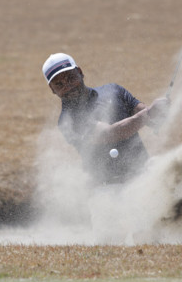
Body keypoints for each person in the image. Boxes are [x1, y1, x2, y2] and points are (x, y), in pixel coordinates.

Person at [42, 52, 169, 185]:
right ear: (52, 89)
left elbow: (152, 119)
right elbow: (109, 134)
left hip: (144, 175)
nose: (68, 87)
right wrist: (149, 114)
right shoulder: (68, 121)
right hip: (109, 190)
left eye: (70, 78)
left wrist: (161, 112)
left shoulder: (113, 90)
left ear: (80, 72)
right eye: (59, 85)